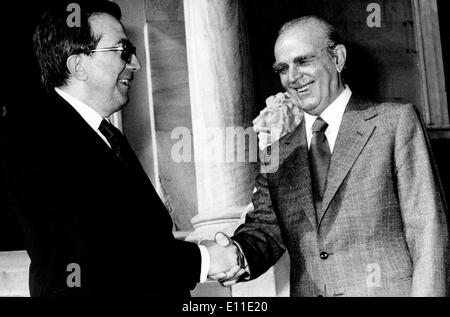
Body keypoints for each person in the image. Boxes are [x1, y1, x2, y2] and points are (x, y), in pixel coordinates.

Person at [3, 0, 236, 297]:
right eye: (123, 51)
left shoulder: (107, 135)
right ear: (78, 64)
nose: (135, 64)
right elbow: (100, 251)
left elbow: (136, 236)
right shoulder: (37, 137)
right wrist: (204, 260)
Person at [209, 15, 449, 296]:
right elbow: (264, 231)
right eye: (282, 68)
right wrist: (237, 255)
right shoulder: (278, 154)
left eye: (303, 61)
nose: (292, 77)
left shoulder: (394, 124)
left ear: (337, 58)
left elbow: (428, 233)